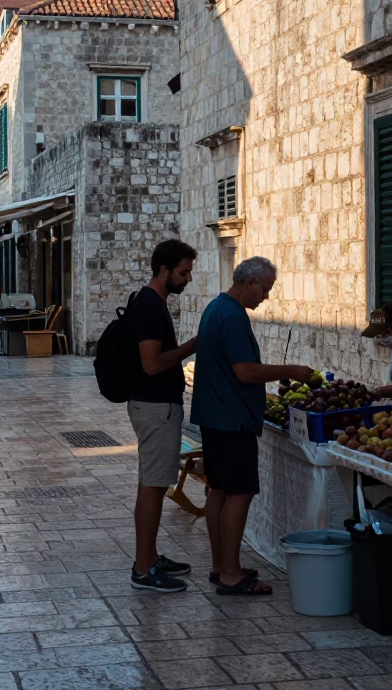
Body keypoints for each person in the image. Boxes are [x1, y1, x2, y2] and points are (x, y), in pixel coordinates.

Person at [191, 256, 312, 596]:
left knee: (218, 489)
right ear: (249, 283)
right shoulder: (230, 316)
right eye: (266, 289)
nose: (266, 297)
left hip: (215, 416)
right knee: (240, 492)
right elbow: (244, 371)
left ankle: (221, 565)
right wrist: (290, 370)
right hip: (232, 420)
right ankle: (230, 574)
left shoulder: (217, 307)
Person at [126, 240, 198, 592]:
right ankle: (143, 568)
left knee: (151, 484)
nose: (187, 280)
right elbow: (152, 364)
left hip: (154, 406)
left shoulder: (151, 304)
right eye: (183, 273)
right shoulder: (150, 308)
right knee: (154, 487)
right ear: (164, 271)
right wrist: (191, 347)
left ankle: (150, 557)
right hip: (155, 407)